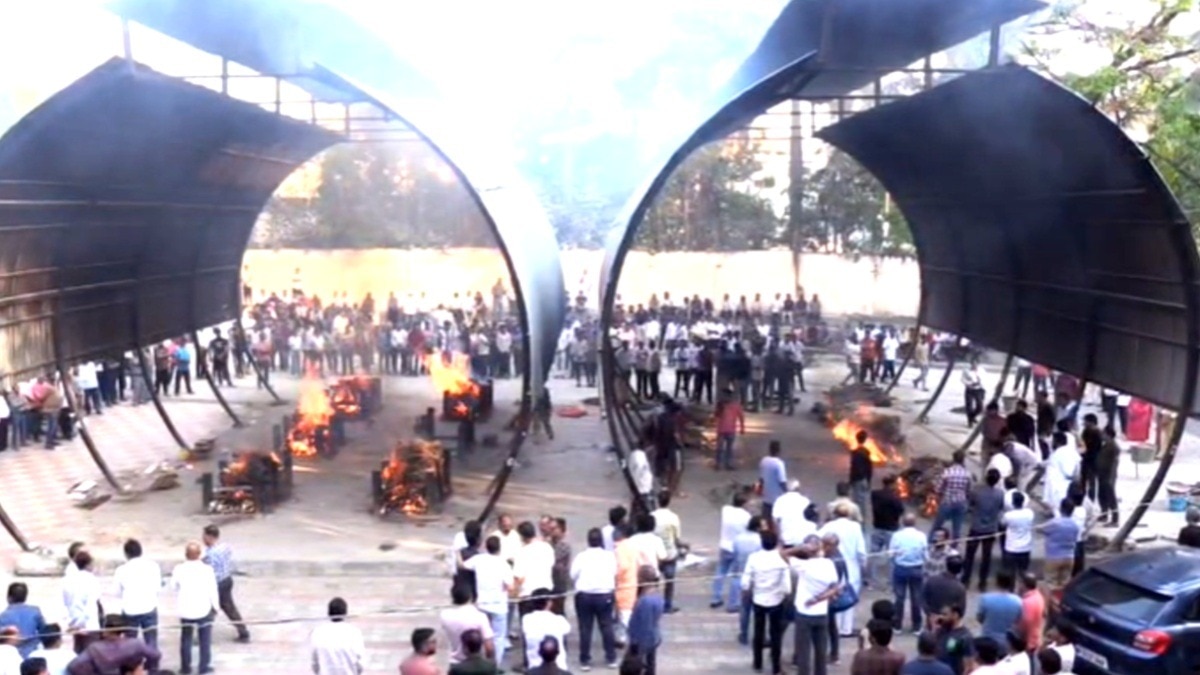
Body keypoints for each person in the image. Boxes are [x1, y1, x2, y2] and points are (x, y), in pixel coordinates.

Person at [742, 530, 790, 675]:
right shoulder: (781, 561)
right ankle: (776, 667)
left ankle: (757, 663)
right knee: (775, 634)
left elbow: (745, 582)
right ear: (775, 543)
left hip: (758, 599)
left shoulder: (753, 558)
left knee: (758, 631)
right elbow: (787, 588)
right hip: (776, 601)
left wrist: (749, 589)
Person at [570, 528, 618, 670]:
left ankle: (585, 660)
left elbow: (573, 575)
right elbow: (615, 572)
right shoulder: (609, 556)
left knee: (585, 628)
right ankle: (611, 658)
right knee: (607, 626)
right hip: (604, 594)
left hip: (585, 595)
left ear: (588, 541)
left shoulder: (581, 557)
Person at [790, 537, 839, 675]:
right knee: (821, 651)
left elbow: (783, 554)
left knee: (803, 652)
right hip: (821, 613)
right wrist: (818, 599)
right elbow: (835, 588)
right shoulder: (829, 564)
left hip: (804, 613)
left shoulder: (804, 566)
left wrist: (799, 548)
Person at [462, 536, 512, 666]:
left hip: (482, 604)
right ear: (499, 548)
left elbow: (463, 565)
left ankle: (481, 661)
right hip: (499, 605)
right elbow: (509, 586)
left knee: (482, 634)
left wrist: (456, 553)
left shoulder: (479, 559)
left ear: (486, 547)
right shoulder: (504, 564)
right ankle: (495, 664)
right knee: (498, 637)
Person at [171, 542, 219, 675]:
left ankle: (185, 668)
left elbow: (173, 586)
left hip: (186, 610)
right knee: (205, 640)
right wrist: (216, 607)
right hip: (203, 609)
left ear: (186, 554)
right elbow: (212, 590)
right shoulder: (207, 570)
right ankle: (204, 667)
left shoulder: (179, 569)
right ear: (199, 554)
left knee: (186, 639)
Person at [65, 614, 160, 675]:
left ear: (105, 631)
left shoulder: (94, 649)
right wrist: (147, 670)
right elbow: (156, 655)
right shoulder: (135, 644)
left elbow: (72, 667)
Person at [201, 525, 250, 643]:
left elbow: (207, 569)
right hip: (227, 579)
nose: (203, 539)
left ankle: (204, 636)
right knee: (229, 607)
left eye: (204, 536)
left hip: (216, 583)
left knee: (210, 609)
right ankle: (243, 631)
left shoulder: (209, 555)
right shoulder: (225, 548)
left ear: (210, 537)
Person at [113, 539, 161, 652]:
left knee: (129, 644)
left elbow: (117, 592)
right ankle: (152, 662)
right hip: (149, 606)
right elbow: (158, 587)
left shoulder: (121, 570)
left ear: (126, 554)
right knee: (151, 641)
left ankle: (131, 662)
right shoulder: (153, 566)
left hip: (130, 609)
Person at [961, 469, 1004, 592]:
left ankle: (966, 579)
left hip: (976, 527)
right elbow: (1000, 508)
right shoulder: (1000, 494)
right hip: (990, 528)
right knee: (986, 556)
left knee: (969, 555)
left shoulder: (977, 491)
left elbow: (969, 505)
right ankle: (982, 582)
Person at [888, 513, 927, 634]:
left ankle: (897, 625)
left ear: (902, 522)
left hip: (900, 568)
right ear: (915, 522)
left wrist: (895, 560)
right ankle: (917, 626)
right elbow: (925, 554)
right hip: (916, 568)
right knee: (916, 598)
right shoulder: (921, 536)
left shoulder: (896, 536)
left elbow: (891, 553)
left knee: (899, 598)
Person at [711, 493, 751, 610]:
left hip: (724, 545)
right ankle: (733, 602)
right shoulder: (746, 517)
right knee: (737, 575)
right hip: (737, 547)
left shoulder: (726, 510)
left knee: (720, 571)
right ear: (744, 504)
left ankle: (715, 598)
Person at [440, 583, 494, 666]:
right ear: (470, 597)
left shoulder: (445, 615)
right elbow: (489, 646)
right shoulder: (480, 617)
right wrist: (489, 662)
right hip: (476, 662)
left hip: (455, 661)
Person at [309, 597, 364, 675]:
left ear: (329, 613)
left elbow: (315, 663)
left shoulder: (317, 633)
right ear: (345, 613)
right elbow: (360, 663)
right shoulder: (354, 633)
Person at [869, 475, 906, 590]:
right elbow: (901, 511)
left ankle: (872, 582)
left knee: (874, 555)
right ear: (892, 484)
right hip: (891, 529)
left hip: (877, 527)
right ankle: (891, 583)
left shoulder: (875, 494)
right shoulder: (895, 498)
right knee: (892, 557)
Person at [627, 565, 664, 675]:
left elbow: (644, 625)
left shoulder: (645, 601)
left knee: (643, 666)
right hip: (653, 636)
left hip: (643, 640)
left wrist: (637, 645)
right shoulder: (657, 595)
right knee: (651, 663)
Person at [521, 590, 570, 671]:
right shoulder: (559, 620)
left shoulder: (526, 619)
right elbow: (567, 629)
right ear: (549, 603)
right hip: (558, 667)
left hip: (534, 666)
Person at [976, 571, 1023, 649]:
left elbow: (979, 618)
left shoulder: (986, 598)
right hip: (1007, 642)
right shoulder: (1018, 601)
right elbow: (1018, 620)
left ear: (997, 582)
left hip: (988, 639)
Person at [923, 603, 974, 675]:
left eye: (945, 614)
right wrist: (934, 629)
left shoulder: (963, 636)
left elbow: (968, 666)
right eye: (941, 614)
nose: (941, 617)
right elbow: (930, 649)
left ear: (955, 615)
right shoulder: (941, 630)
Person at [0, 584, 46, 658]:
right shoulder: (35, 611)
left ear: (9, 598)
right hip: (32, 654)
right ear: (25, 597)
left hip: (11, 656)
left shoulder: (3, 616)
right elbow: (45, 631)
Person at [922, 557, 966, 632]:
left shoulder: (932, 580)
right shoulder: (960, 588)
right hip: (949, 622)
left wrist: (930, 614)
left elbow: (923, 599)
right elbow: (961, 609)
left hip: (931, 619)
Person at [758, 440, 788, 520]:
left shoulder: (764, 461)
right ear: (779, 450)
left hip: (766, 497)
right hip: (777, 498)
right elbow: (782, 481)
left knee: (765, 520)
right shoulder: (779, 464)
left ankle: (764, 528)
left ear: (769, 449)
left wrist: (760, 489)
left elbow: (761, 478)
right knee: (776, 521)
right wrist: (787, 493)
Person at [848, 431, 874, 518]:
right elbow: (869, 468)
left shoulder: (855, 453)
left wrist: (851, 480)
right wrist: (868, 480)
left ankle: (857, 518)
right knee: (863, 500)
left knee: (856, 500)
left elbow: (853, 468)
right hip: (864, 479)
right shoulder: (866, 452)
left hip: (857, 479)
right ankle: (862, 518)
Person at [1019, 573, 1045, 654]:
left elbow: (1025, 624)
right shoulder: (1039, 596)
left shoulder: (1027, 602)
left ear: (1024, 585)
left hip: (1027, 641)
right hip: (1035, 638)